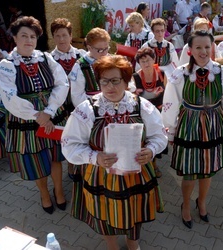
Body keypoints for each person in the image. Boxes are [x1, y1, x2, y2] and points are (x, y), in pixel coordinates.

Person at [61, 55, 167, 250]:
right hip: (100, 174)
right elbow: (69, 145)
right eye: (104, 81)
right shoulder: (87, 110)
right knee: (104, 212)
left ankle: (133, 244)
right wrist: (94, 157)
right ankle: (112, 246)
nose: (110, 86)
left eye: (115, 80)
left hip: (136, 173)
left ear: (126, 81)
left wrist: (151, 151)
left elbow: (160, 136)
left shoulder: (141, 106)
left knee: (135, 210)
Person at [162, 30, 223, 229]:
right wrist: (170, 130)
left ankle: (202, 201)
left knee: (207, 170)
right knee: (189, 171)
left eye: (207, 46)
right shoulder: (180, 73)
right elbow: (170, 102)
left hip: (214, 125)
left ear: (212, 47)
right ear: (190, 50)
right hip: (189, 124)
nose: (203, 51)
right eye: (198, 47)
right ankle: (186, 205)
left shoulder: (222, 72)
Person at [0, 16, 69, 214]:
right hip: (25, 117)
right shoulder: (6, 64)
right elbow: (9, 96)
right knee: (37, 159)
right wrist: (36, 115)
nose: (29, 40)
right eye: (24, 36)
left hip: (52, 112)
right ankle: (45, 195)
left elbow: (62, 83)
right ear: (15, 38)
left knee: (55, 156)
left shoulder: (46, 58)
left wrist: (49, 111)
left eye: (33, 36)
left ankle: (59, 191)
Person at [50, 18, 86, 180]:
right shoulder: (48, 59)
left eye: (65, 35)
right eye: (57, 36)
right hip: (61, 105)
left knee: (80, 135)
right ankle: (69, 164)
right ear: (53, 37)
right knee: (65, 137)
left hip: (79, 103)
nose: (62, 39)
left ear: (71, 36)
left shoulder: (82, 55)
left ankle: (78, 165)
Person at [133, 47, 168, 178]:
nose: (146, 64)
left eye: (148, 60)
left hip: (159, 111)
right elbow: (133, 98)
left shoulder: (162, 73)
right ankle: (144, 162)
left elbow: (168, 93)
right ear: (139, 63)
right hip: (143, 114)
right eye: (142, 61)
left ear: (153, 59)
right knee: (144, 139)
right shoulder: (135, 77)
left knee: (156, 137)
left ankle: (154, 164)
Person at [69, 27, 110, 108]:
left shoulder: (112, 61)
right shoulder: (80, 66)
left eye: (106, 49)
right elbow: (77, 96)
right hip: (92, 109)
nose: (104, 53)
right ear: (89, 48)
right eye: (100, 50)